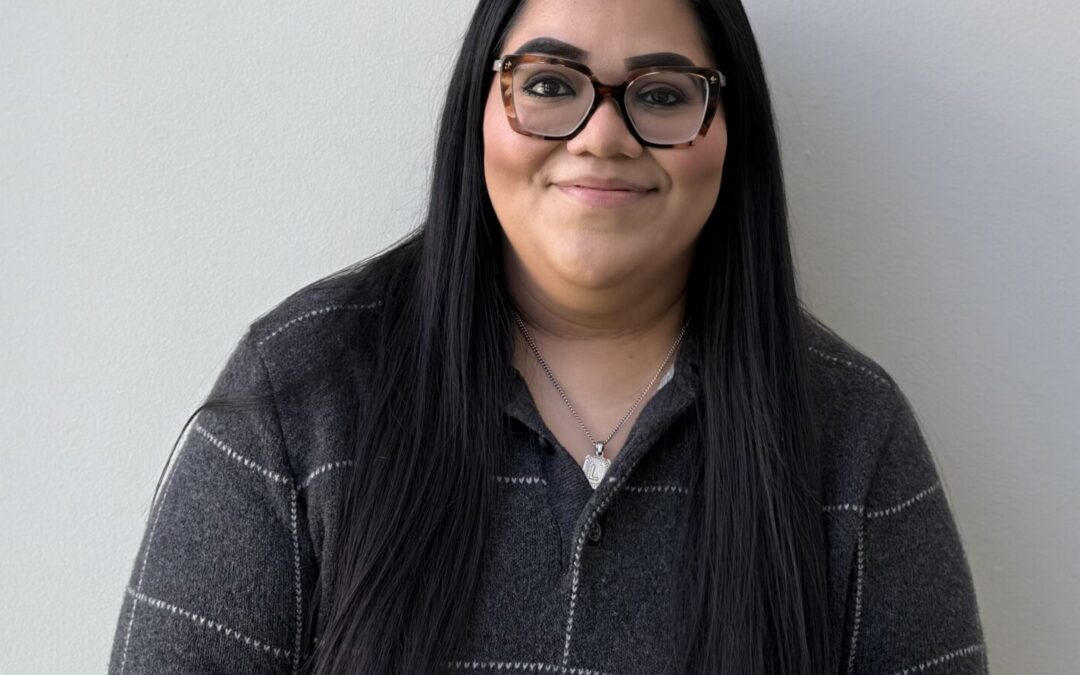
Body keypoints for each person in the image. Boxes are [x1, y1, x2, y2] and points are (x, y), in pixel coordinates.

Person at [107, 0, 988, 673]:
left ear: (730, 131)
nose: (603, 136)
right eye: (549, 84)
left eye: (663, 94)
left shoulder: (853, 432)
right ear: (479, 107)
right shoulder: (303, 388)